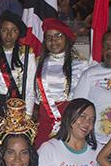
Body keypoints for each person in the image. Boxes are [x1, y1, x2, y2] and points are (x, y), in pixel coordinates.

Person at [34, 18, 85, 146]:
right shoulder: (37, 62)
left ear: (66, 38)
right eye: (49, 37)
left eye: (58, 36)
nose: (53, 41)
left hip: (70, 116)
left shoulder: (80, 63)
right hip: (45, 116)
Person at [0, 10, 37, 115]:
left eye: (14, 30)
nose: (9, 35)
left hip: (18, 106)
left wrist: (27, 115)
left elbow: (29, 90)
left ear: (19, 33)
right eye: (5, 30)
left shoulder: (27, 55)